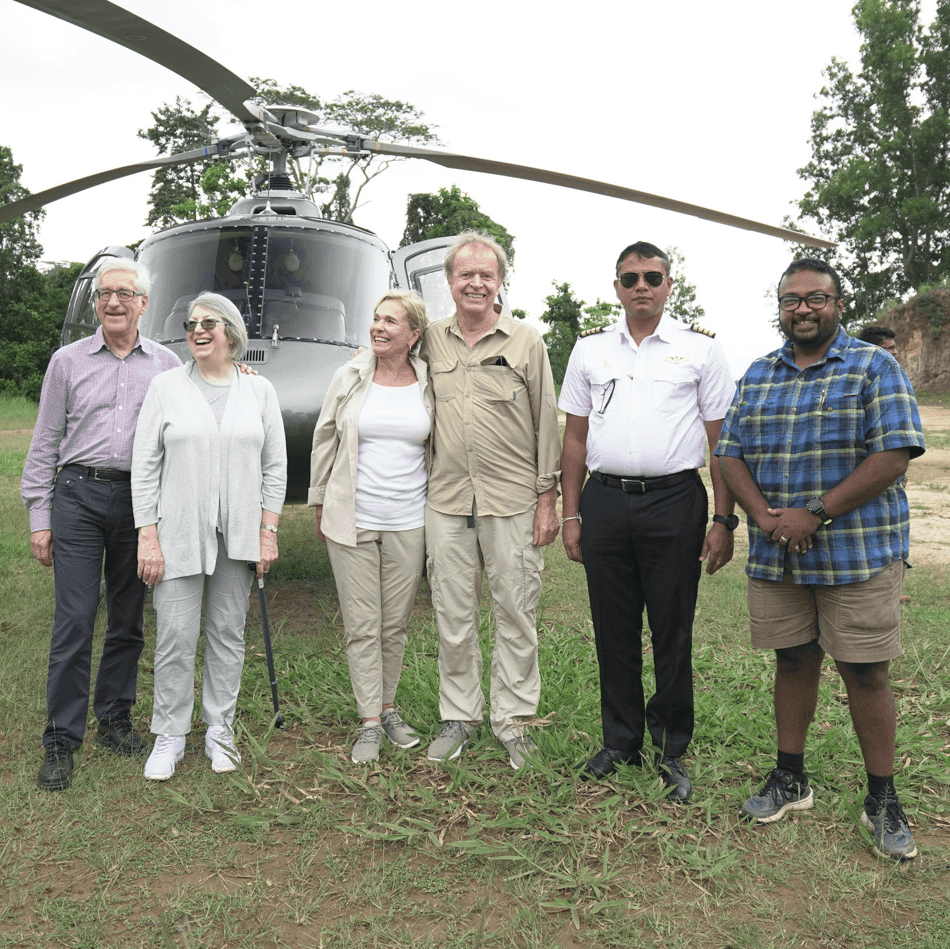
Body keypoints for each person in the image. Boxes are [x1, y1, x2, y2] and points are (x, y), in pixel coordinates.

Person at [712, 256, 925, 862]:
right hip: (780, 554)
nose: (803, 309)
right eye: (791, 300)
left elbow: (893, 455)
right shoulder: (758, 375)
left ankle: (882, 799)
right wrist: (764, 516)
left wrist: (816, 514)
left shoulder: (873, 366)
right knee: (794, 659)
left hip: (856, 553)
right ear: (779, 308)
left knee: (864, 670)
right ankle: (790, 777)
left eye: (816, 298)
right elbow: (729, 455)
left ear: (838, 304)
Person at [559, 242, 735, 804]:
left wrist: (723, 519)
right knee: (612, 628)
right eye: (631, 277)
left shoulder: (700, 352)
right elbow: (575, 438)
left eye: (652, 276)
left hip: (675, 502)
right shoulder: (589, 351)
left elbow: (720, 443)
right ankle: (620, 741)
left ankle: (671, 749)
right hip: (605, 501)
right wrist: (570, 513)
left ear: (668, 284)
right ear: (616, 286)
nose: (642, 286)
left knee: (671, 628)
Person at [23, 257, 181, 792]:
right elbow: (45, 441)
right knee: (73, 620)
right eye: (104, 293)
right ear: (95, 304)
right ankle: (61, 741)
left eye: (124, 293)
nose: (113, 301)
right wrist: (39, 517)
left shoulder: (166, 365)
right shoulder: (66, 362)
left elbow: (211, 388)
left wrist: (244, 371)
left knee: (129, 619)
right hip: (77, 496)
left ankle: (115, 719)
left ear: (143, 303)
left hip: (139, 500)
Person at [420, 231, 562, 769]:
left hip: (513, 502)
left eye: (487, 274)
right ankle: (460, 715)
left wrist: (546, 500)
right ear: (450, 282)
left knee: (516, 611)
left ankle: (514, 720)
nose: (476, 283)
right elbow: (379, 368)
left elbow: (545, 422)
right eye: (465, 274)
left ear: (500, 281)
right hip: (447, 502)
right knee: (451, 614)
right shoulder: (429, 340)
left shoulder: (526, 342)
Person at [132, 293, 286, 781]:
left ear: (231, 333)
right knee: (175, 636)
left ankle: (220, 728)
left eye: (210, 323)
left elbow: (274, 468)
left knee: (227, 634)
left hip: (239, 536)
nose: (198, 330)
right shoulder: (165, 387)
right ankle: (170, 734)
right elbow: (145, 467)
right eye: (192, 323)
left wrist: (268, 532)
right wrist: (148, 536)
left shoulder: (259, 391)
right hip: (178, 533)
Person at [308, 290, 435, 763]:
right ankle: (368, 722)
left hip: (409, 520)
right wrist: (318, 499)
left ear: (414, 335)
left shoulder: (428, 380)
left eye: (391, 322)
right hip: (353, 517)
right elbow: (324, 439)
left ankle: (388, 707)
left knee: (394, 624)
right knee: (362, 625)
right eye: (376, 318)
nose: (379, 327)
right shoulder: (350, 375)